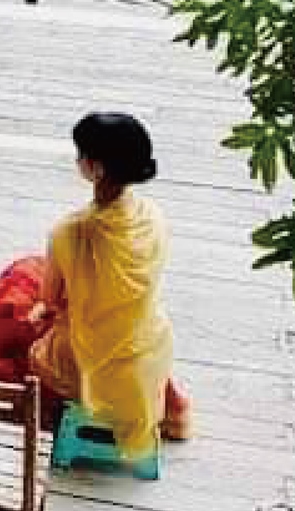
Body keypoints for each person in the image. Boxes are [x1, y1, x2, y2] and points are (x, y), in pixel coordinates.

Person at [29, 112, 191, 464]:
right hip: (150, 342)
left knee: (30, 337)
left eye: (81, 154)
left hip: (92, 360)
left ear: (97, 169)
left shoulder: (71, 232)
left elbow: (50, 299)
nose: (77, 160)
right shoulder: (152, 216)